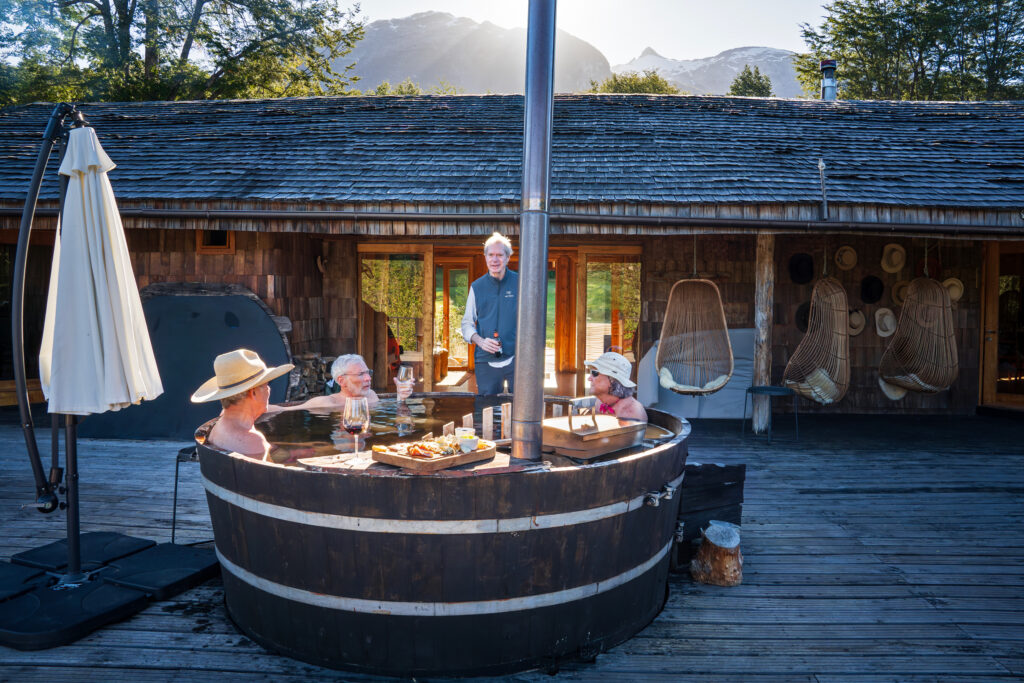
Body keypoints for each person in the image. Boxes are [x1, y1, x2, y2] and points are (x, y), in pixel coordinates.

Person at [191, 348, 294, 460]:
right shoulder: (253, 441)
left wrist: (294, 453)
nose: (268, 389)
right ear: (253, 392)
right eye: (266, 384)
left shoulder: (220, 423)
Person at [461, 232, 519, 395]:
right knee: (486, 412)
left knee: (521, 411)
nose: (495, 260)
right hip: (485, 361)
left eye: (500, 255)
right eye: (491, 255)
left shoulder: (521, 283)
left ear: (508, 258)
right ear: (485, 257)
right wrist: (479, 341)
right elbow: (466, 323)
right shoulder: (477, 287)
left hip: (518, 360)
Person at [300, 353, 412, 410]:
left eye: (368, 372)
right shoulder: (325, 403)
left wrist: (401, 398)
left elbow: (398, 419)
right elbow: (284, 410)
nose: (368, 378)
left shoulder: (371, 396)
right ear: (342, 381)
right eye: (361, 374)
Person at [585, 351, 648, 422]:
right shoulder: (599, 403)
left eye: (595, 373)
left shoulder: (632, 412)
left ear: (612, 380)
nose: (589, 378)